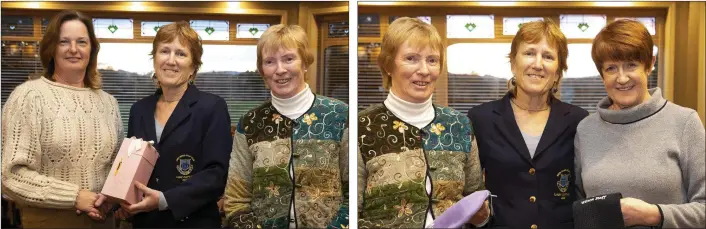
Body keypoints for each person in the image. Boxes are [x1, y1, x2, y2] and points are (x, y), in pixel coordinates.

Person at [357, 17, 487, 228]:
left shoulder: (459, 125)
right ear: (388, 65)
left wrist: (481, 216)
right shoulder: (361, 126)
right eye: (411, 58)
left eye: (432, 60)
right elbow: (350, 210)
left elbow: (474, 198)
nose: (424, 70)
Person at [575, 19, 705, 228]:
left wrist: (655, 215)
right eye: (611, 68)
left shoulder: (685, 123)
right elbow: (579, 207)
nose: (622, 78)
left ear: (650, 64)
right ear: (601, 74)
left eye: (631, 65)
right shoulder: (586, 129)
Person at [1, 10, 121, 228]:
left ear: (91, 48)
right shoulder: (28, 96)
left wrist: (111, 200)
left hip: (104, 221)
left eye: (81, 42)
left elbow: (116, 166)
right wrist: (75, 196)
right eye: (64, 41)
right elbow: (11, 175)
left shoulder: (109, 103)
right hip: (48, 221)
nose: (73, 49)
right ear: (51, 49)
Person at [223, 24, 349, 229]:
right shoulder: (251, 122)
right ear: (262, 70)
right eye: (270, 62)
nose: (280, 70)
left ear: (305, 63)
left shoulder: (340, 116)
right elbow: (236, 200)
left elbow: (356, 193)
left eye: (289, 59)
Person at [467, 19, 589, 229]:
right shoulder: (481, 118)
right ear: (514, 62)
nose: (538, 64)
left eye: (548, 56)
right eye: (529, 53)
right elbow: (472, 192)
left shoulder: (578, 120)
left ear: (558, 70)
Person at [115, 21, 233, 228]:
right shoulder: (138, 110)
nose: (171, 61)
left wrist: (165, 200)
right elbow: (134, 167)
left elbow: (217, 174)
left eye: (181, 54)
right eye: (164, 51)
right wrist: (122, 200)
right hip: (146, 222)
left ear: (194, 66)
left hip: (194, 222)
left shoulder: (212, 107)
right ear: (154, 59)